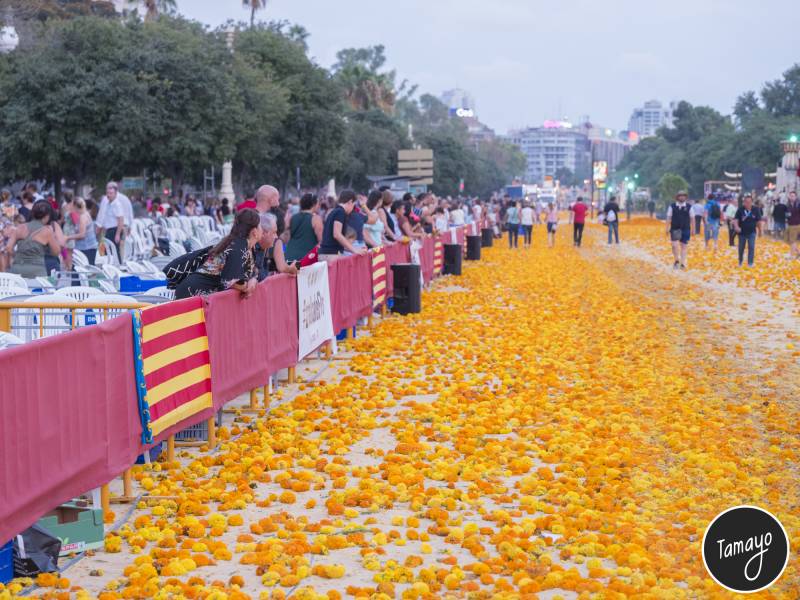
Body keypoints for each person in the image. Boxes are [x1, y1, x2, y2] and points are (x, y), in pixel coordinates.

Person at [175, 208, 260, 299]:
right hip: (192, 293)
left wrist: (253, 280)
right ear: (254, 232)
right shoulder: (238, 246)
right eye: (261, 226)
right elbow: (231, 281)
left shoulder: (245, 246)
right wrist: (247, 287)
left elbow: (251, 271)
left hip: (200, 293)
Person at [8, 201, 64, 278]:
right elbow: (56, 252)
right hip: (37, 270)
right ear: (47, 216)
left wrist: (18, 256)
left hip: (18, 269)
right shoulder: (47, 230)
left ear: (32, 214)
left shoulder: (20, 227)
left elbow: (8, 248)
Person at [318, 190, 366, 260]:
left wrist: (354, 249)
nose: (353, 208)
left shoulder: (334, 211)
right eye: (353, 205)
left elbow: (334, 241)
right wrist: (354, 250)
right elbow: (337, 234)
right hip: (331, 255)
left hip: (327, 254)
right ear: (350, 202)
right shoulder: (340, 212)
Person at [257, 212, 298, 278]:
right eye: (274, 232)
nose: (276, 236)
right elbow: (282, 267)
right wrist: (292, 268)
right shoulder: (277, 242)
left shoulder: (262, 247)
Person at [285, 193, 323, 262]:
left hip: (289, 256)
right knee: (301, 272)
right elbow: (321, 241)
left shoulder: (293, 217)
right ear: (313, 204)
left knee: (294, 272)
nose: (319, 206)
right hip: (306, 259)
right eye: (318, 204)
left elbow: (287, 238)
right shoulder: (316, 219)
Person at [66, 197, 99, 266]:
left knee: (82, 271)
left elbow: (82, 235)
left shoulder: (83, 217)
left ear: (75, 206)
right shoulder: (85, 214)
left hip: (86, 248)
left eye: (72, 205)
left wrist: (68, 237)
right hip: (88, 247)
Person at [734, 194, 763, 267]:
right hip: (742, 232)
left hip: (752, 232)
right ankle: (740, 261)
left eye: (749, 202)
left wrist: (760, 231)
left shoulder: (756, 209)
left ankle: (750, 263)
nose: (748, 203)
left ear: (752, 202)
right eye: (746, 202)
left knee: (751, 247)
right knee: (741, 248)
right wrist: (736, 227)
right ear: (744, 202)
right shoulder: (740, 209)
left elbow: (759, 221)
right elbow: (736, 219)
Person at [666, 191, 692, 270]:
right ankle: (676, 260)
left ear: (685, 197)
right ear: (677, 197)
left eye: (683, 196)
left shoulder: (689, 207)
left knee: (683, 246)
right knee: (674, 245)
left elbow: (692, 218)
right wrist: (667, 227)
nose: (682, 197)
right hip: (675, 228)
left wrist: (694, 229)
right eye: (680, 196)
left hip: (685, 228)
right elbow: (668, 217)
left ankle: (683, 263)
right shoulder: (672, 206)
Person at [786, 191, 800, 259]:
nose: (791, 197)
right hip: (790, 223)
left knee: (792, 240)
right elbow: (787, 213)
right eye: (790, 196)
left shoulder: (798, 204)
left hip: (796, 224)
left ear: (796, 197)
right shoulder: (788, 204)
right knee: (787, 239)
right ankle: (798, 252)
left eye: (793, 196)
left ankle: (791, 255)